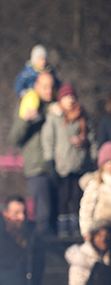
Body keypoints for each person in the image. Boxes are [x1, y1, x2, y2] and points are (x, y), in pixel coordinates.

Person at [43, 84, 94, 237]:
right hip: (62, 166)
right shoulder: (54, 118)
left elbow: (92, 139)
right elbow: (48, 141)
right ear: (61, 99)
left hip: (80, 165)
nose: (70, 100)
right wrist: (49, 162)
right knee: (63, 198)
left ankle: (76, 227)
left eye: (72, 96)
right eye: (67, 97)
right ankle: (63, 228)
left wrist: (85, 144)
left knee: (77, 197)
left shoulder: (82, 116)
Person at [9, 72, 57, 233]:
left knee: (58, 215)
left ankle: (57, 254)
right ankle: (41, 253)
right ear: (36, 87)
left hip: (58, 166)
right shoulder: (28, 105)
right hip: (37, 167)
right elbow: (14, 138)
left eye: (51, 86)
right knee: (43, 214)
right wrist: (26, 120)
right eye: (45, 87)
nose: (49, 90)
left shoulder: (57, 106)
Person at [79, 143, 111, 241]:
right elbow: (86, 208)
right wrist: (86, 231)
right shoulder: (96, 183)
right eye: (107, 162)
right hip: (100, 231)